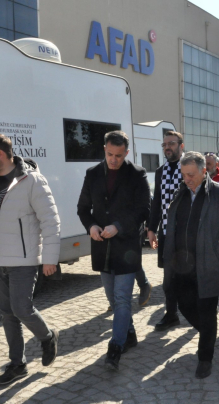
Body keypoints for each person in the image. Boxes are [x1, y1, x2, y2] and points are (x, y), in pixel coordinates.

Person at [0, 133, 60, 385]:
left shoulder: (32, 181)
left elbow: (50, 221)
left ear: (0, 155)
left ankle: (47, 336)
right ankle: (17, 364)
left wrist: (49, 258)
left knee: (21, 309)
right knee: (7, 313)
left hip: (24, 260)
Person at [162, 151, 219, 378]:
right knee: (183, 304)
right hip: (181, 264)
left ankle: (205, 358)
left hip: (208, 264)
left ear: (204, 170)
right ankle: (208, 333)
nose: (186, 179)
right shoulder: (181, 192)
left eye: (191, 174)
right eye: (183, 174)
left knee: (207, 311)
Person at [77, 130, 151, 370]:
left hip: (127, 247)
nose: (113, 159)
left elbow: (143, 210)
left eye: (119, 155)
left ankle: (115, 348)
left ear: (126, 152)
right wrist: (91, 226)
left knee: (121, 299)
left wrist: (119, 226)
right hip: (101, 247)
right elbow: (83, 208)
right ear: (104, 150)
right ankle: (129, 334)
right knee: (112, 298)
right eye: (110, 154)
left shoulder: (137, 174)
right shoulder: (93, 173)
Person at [147, 131, 186, 331]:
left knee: (190, 276)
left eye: (171, 143)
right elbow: (156, 202)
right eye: (164, 145)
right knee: (168, 278)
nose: (167, 148)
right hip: (166, 233)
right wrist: (151, 228)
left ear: (181, 145)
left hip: (187, 233)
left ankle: (202, 313)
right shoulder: (160, 171)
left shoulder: (190, 166)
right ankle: (171, 314)